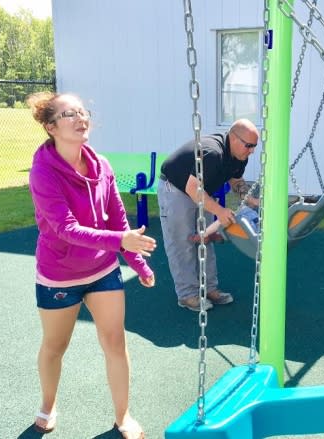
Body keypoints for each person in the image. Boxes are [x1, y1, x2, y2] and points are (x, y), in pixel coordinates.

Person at [26, 92, 156, 439]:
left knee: (115, 342)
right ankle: (49, 403)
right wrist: (120, 243)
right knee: (56, 346)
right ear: (51, 126)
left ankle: (123, 416)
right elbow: (65, 230)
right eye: (70, 114)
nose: (81, 118)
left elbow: (117, 219)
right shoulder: (43, 172)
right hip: (59, 275)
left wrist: (137, 263)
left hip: (102, 271)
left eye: (83, 112)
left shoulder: (102, 165)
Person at [158, 119, 259, 311]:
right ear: (234, 139)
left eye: (254, 146)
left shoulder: (239, 155)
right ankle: (187, 294)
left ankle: (209, 288)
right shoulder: (213, 153)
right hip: (177, 188)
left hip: (201, 191)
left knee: (206, 239)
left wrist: (249, 199)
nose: (252, 151)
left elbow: (235, 179)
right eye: (249, 146)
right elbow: (192, 187)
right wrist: (220, 210)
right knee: (183, 242)